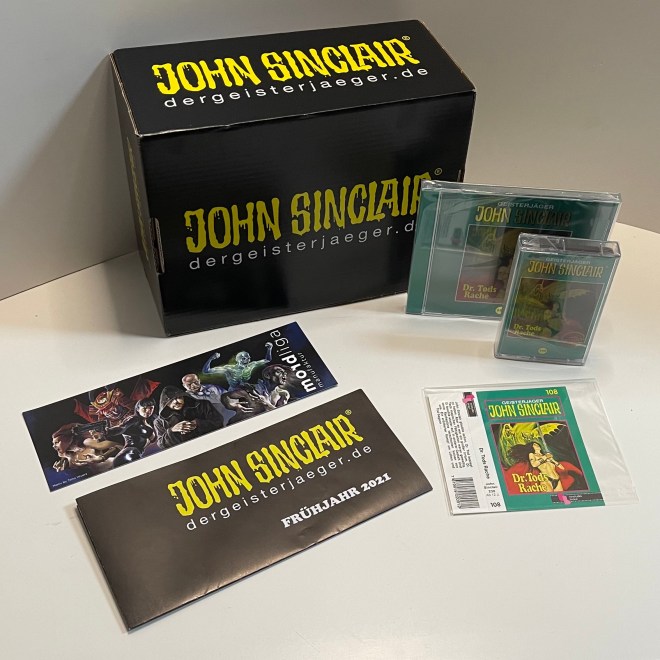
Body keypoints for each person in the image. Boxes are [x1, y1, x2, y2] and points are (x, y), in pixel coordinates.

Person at [154, 386, 224, 449]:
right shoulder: (159, 421)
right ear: (165, 403)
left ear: (184, 396)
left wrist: (198, 423)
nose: (175, 402)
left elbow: (219, 422)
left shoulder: (203, 405)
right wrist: (172, 430)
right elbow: (161, 445)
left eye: (178, 397)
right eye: (170, 400)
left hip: (212, 445)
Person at [108, 398, 158, 467]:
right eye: (144, 408)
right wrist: (107, 431)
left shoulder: (149, 425)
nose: (148, 411)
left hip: (136, 454)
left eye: (151, 408)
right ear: (138, 409)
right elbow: (121, 428)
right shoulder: (133, 419)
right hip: (128, 454)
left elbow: (153, 441)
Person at [202, 342, 273, 389]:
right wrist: (211, 358)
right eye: (244, 358)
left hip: (247, 388)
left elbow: (267, 360)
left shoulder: (251, 365)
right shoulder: (229, 369)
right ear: (238, 359)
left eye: (248, 358)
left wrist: (269, 349)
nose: (248, 360)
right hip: (233, 390)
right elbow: (206, 371)